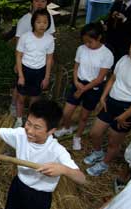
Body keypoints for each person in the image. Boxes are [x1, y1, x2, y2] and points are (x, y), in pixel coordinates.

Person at [84, 35, 131, 176]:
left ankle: (105, 163)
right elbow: (113, 79)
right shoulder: (123, 59)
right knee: (94, 133)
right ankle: (98, 153)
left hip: (128, 109)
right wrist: (103, 97)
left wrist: (124, 116)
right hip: (110, 102)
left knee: (113, 142)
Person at [54, 23, 114, 151]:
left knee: (84, 116)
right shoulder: (81, 49)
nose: (86, 44)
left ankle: (78, 136)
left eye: (90, 41)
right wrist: (76, 82)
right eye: (84, 41)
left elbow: (99, 79)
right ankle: (66, 127)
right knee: (66, 112)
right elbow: (76, 67)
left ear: (99, 38)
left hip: (93, 87)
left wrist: (82, 90)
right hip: (79, 82)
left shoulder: (107, 54)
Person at [9, 0, 56, 121]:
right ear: (33, 22)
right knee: (21, 96)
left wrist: (46, 77)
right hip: (25, 69)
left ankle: (30, 119)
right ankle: (19, 120)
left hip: (40, 71)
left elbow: (49, 58)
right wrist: (20, 74)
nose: (42, 25)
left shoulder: (50, 39)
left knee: (35, 97)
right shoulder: (26, 36)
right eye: (38, 22)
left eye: (45, 22)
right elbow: (19, 54)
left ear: (48, 23)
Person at [105, 0, 131, 65]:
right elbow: (109, 20)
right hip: (111, 40)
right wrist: (111, 18)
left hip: (125, 44)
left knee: (118, 64)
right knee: (106, 61)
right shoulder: (117, 3)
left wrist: (124, 19)